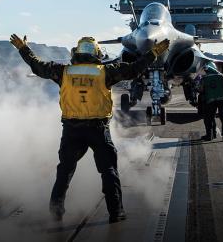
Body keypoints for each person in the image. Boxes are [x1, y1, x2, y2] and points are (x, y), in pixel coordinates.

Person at [9, 34, 169, 223]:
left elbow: (37, 66)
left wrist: (23, 48)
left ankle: (56, 209)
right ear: (97, 53)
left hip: (71, 130)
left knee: (64, 170)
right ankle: (115, 212)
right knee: (108, 170)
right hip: (97, 129)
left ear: (76, 52)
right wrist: (154, 53)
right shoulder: (106, 72)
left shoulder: (63, 71)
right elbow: (134, 69)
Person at [199, 63, 223, 142]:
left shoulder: (204, 79)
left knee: (209, 119)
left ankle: (210, 136)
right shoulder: (222, 77)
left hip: (210, 101)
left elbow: (201, 90)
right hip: (222, 100)